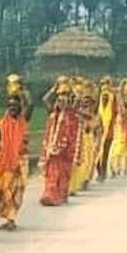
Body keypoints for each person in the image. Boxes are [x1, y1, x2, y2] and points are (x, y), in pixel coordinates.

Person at [39, 78, 79, 206]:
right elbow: (45, 99)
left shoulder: (71, 113)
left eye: (64, 101)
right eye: (59, 100)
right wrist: (54, 88)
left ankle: (62, 194)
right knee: (51, 172)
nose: (61, 103)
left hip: (65, 148)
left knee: (63, 171)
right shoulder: (53, 113)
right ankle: (50, 195)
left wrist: (71, 88)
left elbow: (77, 100)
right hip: (52, 147)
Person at [0, 93, 29, 231]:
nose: (12, 107)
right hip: (4, 163)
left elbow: (31, 104)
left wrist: (22, 92)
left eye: (15, 105)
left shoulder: (24, 120)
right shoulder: (2, 122)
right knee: (2, 191)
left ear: (20, 106)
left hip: (20, 163)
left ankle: (11, 219)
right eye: (10, 105)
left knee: (16, 191)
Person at [108, 78, 127, 177]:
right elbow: (120, 111)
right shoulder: (119, 99)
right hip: (120, 125)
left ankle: (125, 169)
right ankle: (115, 168)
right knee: (118, 147)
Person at [95, 77, 117, 182]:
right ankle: (99, 172)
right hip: (98, 130)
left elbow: (117, 112)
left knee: (104, 154)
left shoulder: (113, 99)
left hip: (109, 130)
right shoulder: (97, 99)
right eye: (103, 94)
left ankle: (102, 173)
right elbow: (95, 112)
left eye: (106, 95)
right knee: (96, 153)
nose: (104, 96)